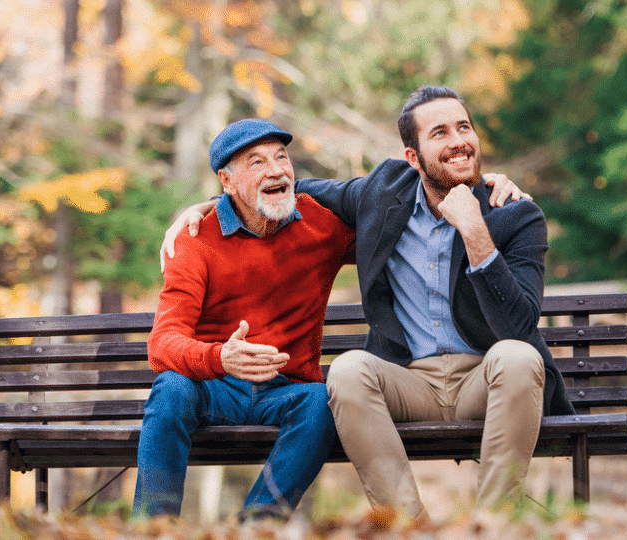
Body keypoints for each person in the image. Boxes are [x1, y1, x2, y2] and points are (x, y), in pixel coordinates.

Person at [162, 86, 571, 520]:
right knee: (348, 369)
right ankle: (407, 526)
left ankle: (494, 524)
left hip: (487, 378)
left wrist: (475, 232)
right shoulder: (381, 193)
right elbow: (282, 188)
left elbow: (519, 325)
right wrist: (209, 205)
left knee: (519, 356)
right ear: (412, 158)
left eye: (464, 127)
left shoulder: (514, 214)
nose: (457, 141)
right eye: (439, 133)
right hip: (409, 382)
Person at [134, 118, 354, 520]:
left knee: (322, 402)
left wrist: (481, 186)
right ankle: (152, 526)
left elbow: (395, 220)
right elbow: (162, 343)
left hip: (285, 390)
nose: (276, 169)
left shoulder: (322, 225)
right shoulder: (195, 239)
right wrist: (220, 358)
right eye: (256, 162)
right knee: (171, 389)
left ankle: (257, 527)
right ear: (227, 181)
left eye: (282, 157)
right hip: (213, 387)